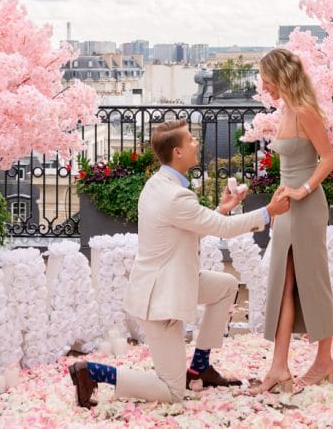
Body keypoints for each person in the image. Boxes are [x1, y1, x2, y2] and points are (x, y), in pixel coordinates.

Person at [68, 119, 292, 407]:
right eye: (191, 140)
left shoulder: (159, 185)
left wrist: (222, 209)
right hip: (161, 300)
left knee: (225, 285)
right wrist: (269, 211)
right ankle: (92, 372)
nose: (196, 143)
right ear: (177, 152)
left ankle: (199, 368)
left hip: (171, 282)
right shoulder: (176, 195)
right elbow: (219, 229)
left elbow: (191, 224)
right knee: (172, 392)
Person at [250, 47, 333, 394]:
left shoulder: (304, 112)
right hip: (286, 208)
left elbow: (329, 159)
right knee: (282, 284)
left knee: (312, 282)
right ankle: (279, 367)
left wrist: (302, 190)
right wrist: (278, 204)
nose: (264, 86)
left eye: (266, 79)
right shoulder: (286, 110)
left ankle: (324, 362)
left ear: (281, 77)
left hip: (307, 206)